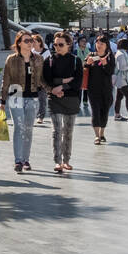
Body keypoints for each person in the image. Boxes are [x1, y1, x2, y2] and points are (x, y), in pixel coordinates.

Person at [0, 32, 46, 173]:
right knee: (19, 128)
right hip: (16, 95)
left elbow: (43, 79)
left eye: (31, 40)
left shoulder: (38, 59)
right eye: (26, 40)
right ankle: (18, 160)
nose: (30, 43)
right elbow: (6, 80)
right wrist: (2, 100)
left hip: (32, 97)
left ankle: (26, 159)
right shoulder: (11, 59)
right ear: (19, 43)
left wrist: (53, 90)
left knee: (28, 129)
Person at [43, 31, 82, 174]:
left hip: (71, 100)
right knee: (57, 131)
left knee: (68, 132)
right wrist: (62, 83)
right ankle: (57, 161)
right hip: (54, 99)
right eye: (55, 44)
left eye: (60, 44)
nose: (57, 47)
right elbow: (47, 79)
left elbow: (77, 82)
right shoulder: (50, 60)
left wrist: (62, 87)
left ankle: (67, 160)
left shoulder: (76, 61)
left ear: (69, 45)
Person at [84, 36, 116, 145]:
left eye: (102, 43)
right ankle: (96, 136)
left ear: (107, 45)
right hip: (93, 89)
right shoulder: (91, 55)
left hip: (106, 89)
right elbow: (84, 69)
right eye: (97, 43)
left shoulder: (110, 57)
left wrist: (105, 63)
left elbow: (110, 71)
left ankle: (102, 133)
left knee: (105, 111)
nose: (99, 45)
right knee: (95, 111)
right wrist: (87, 63)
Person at [113, 37, 128, 121]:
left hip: (121, 78)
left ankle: (117, 115)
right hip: (122, 78)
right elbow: (122, 67)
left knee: (119, 97)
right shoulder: (121, 54)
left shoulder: (120, 53)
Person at [31, 34, 50, 124]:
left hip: (43, 78)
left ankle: (40, 116)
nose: (32, 43)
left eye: (34, 41)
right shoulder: (31, 52)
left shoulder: (46, 52)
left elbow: (48, 67)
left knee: (42, 98)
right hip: (32, 78)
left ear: (39, 42)